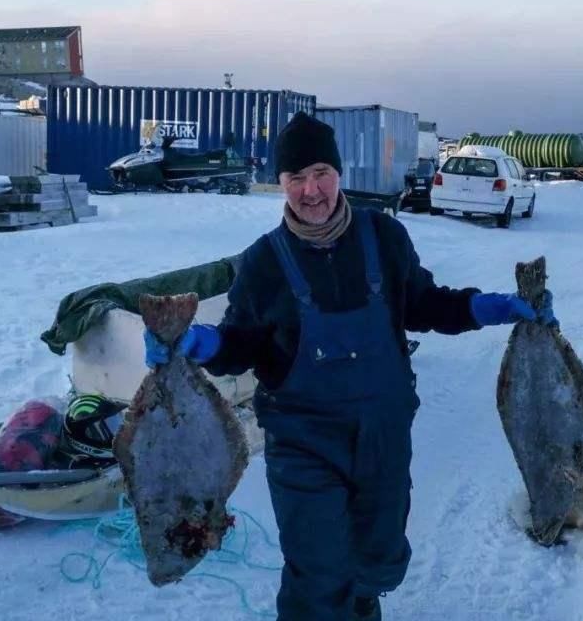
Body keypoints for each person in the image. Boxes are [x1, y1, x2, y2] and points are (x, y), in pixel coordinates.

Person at [143, 112, 555, 621]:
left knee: (377, 562)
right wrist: (199, 343)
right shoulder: (263, 262)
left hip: (382, 435)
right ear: (282, 185)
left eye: (320, 172)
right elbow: (241, 343)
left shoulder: (383, 237)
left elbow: (423, 304)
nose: (310, 190)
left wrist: (490, 307)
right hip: (304, 442)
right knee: (317, 573)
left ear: (338, 173)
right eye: (295, 178)